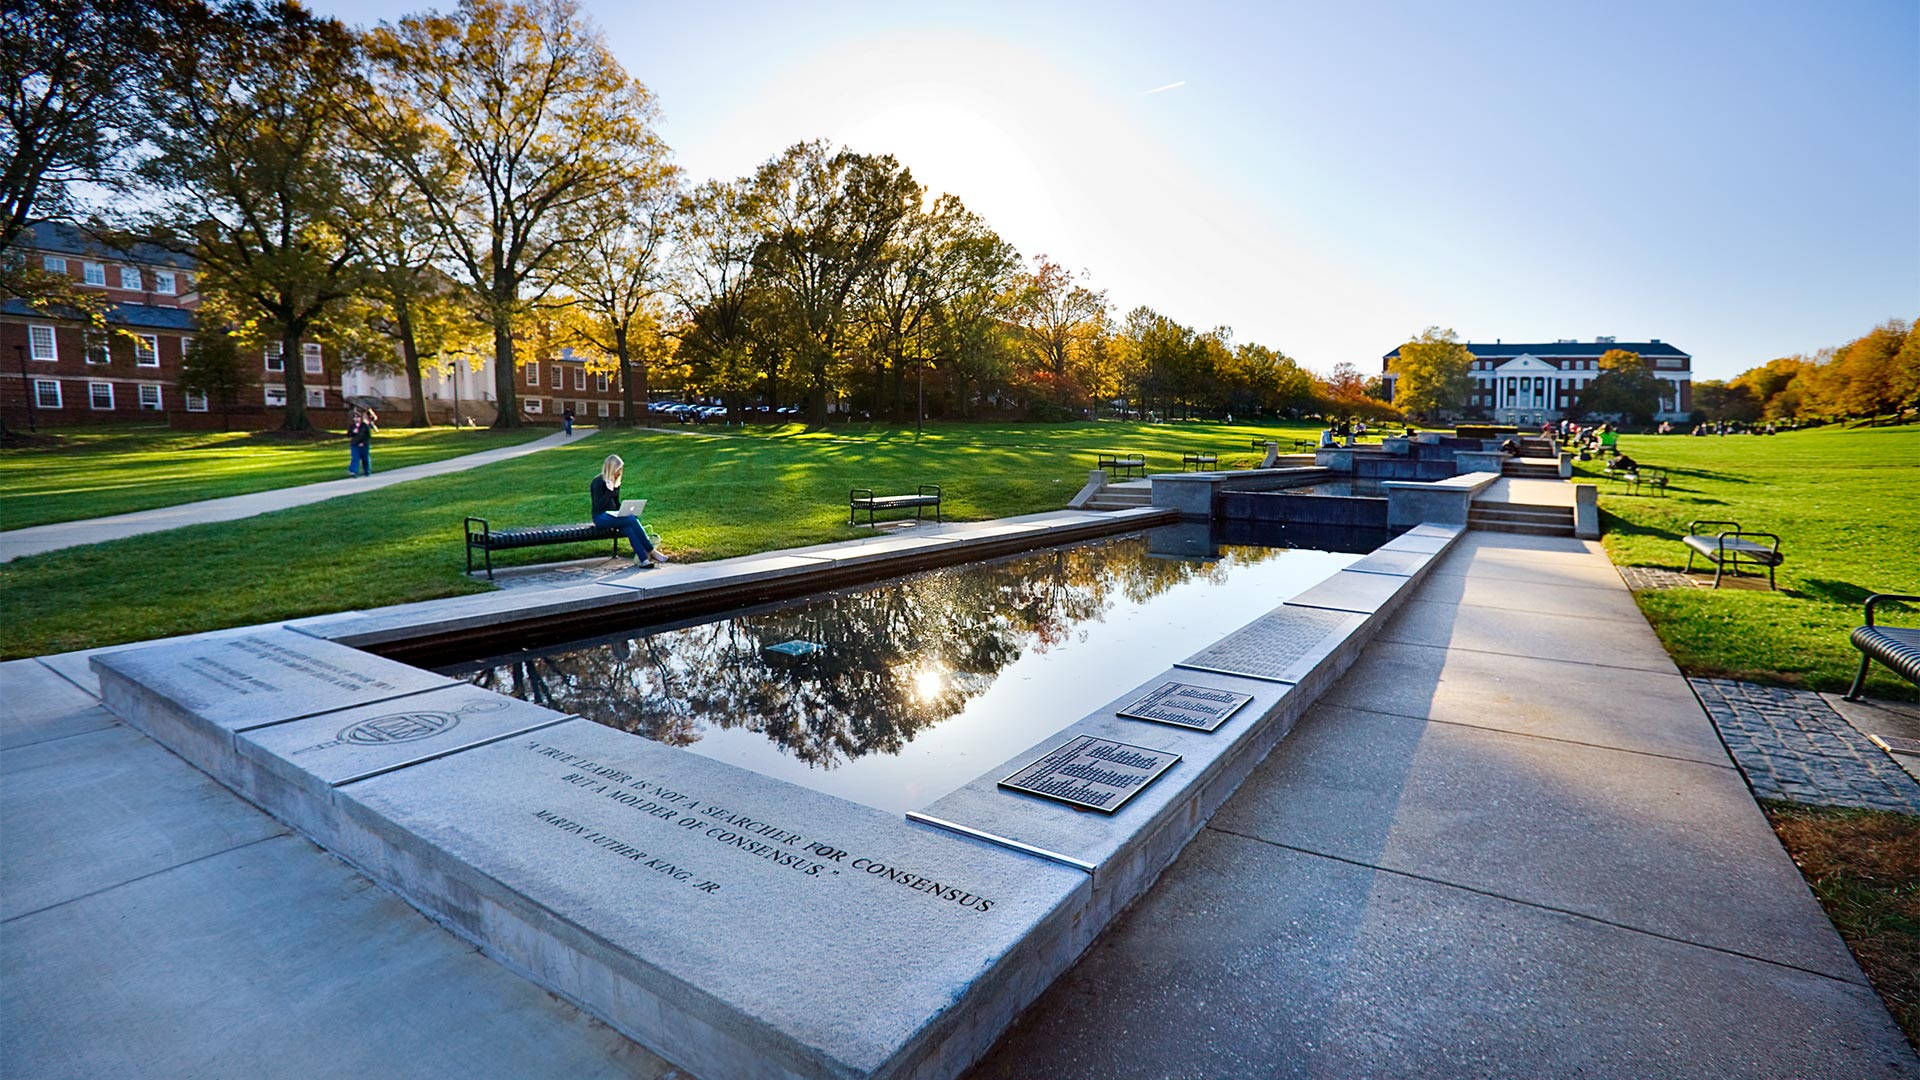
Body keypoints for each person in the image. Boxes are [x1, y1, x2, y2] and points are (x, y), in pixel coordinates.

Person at [591, 454, 668, 567]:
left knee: (629, 527)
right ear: (610, 468)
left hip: (614, 517)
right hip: (600, 517)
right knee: (631, 520)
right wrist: (609, 490)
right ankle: (651, 550)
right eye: (617, 469)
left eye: (620, 469)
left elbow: (616, 503)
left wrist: (623, 511)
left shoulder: (615, 482)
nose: (619, 472)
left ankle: (644, 560)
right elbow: (599, 505)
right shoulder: (597, 482)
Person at [347, 408, 376, 477]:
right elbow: (349, 435)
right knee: (355, 457)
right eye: (355, 418)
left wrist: (363, 442)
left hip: (364, 445)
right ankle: (353, 471)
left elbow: (368, 436)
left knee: (365, 458)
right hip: (355, 444)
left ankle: (367, 471)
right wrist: (353, 432)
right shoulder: (352, 426)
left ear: (360, 418)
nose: (356, 419)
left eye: (358, 417)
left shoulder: (364, 426)